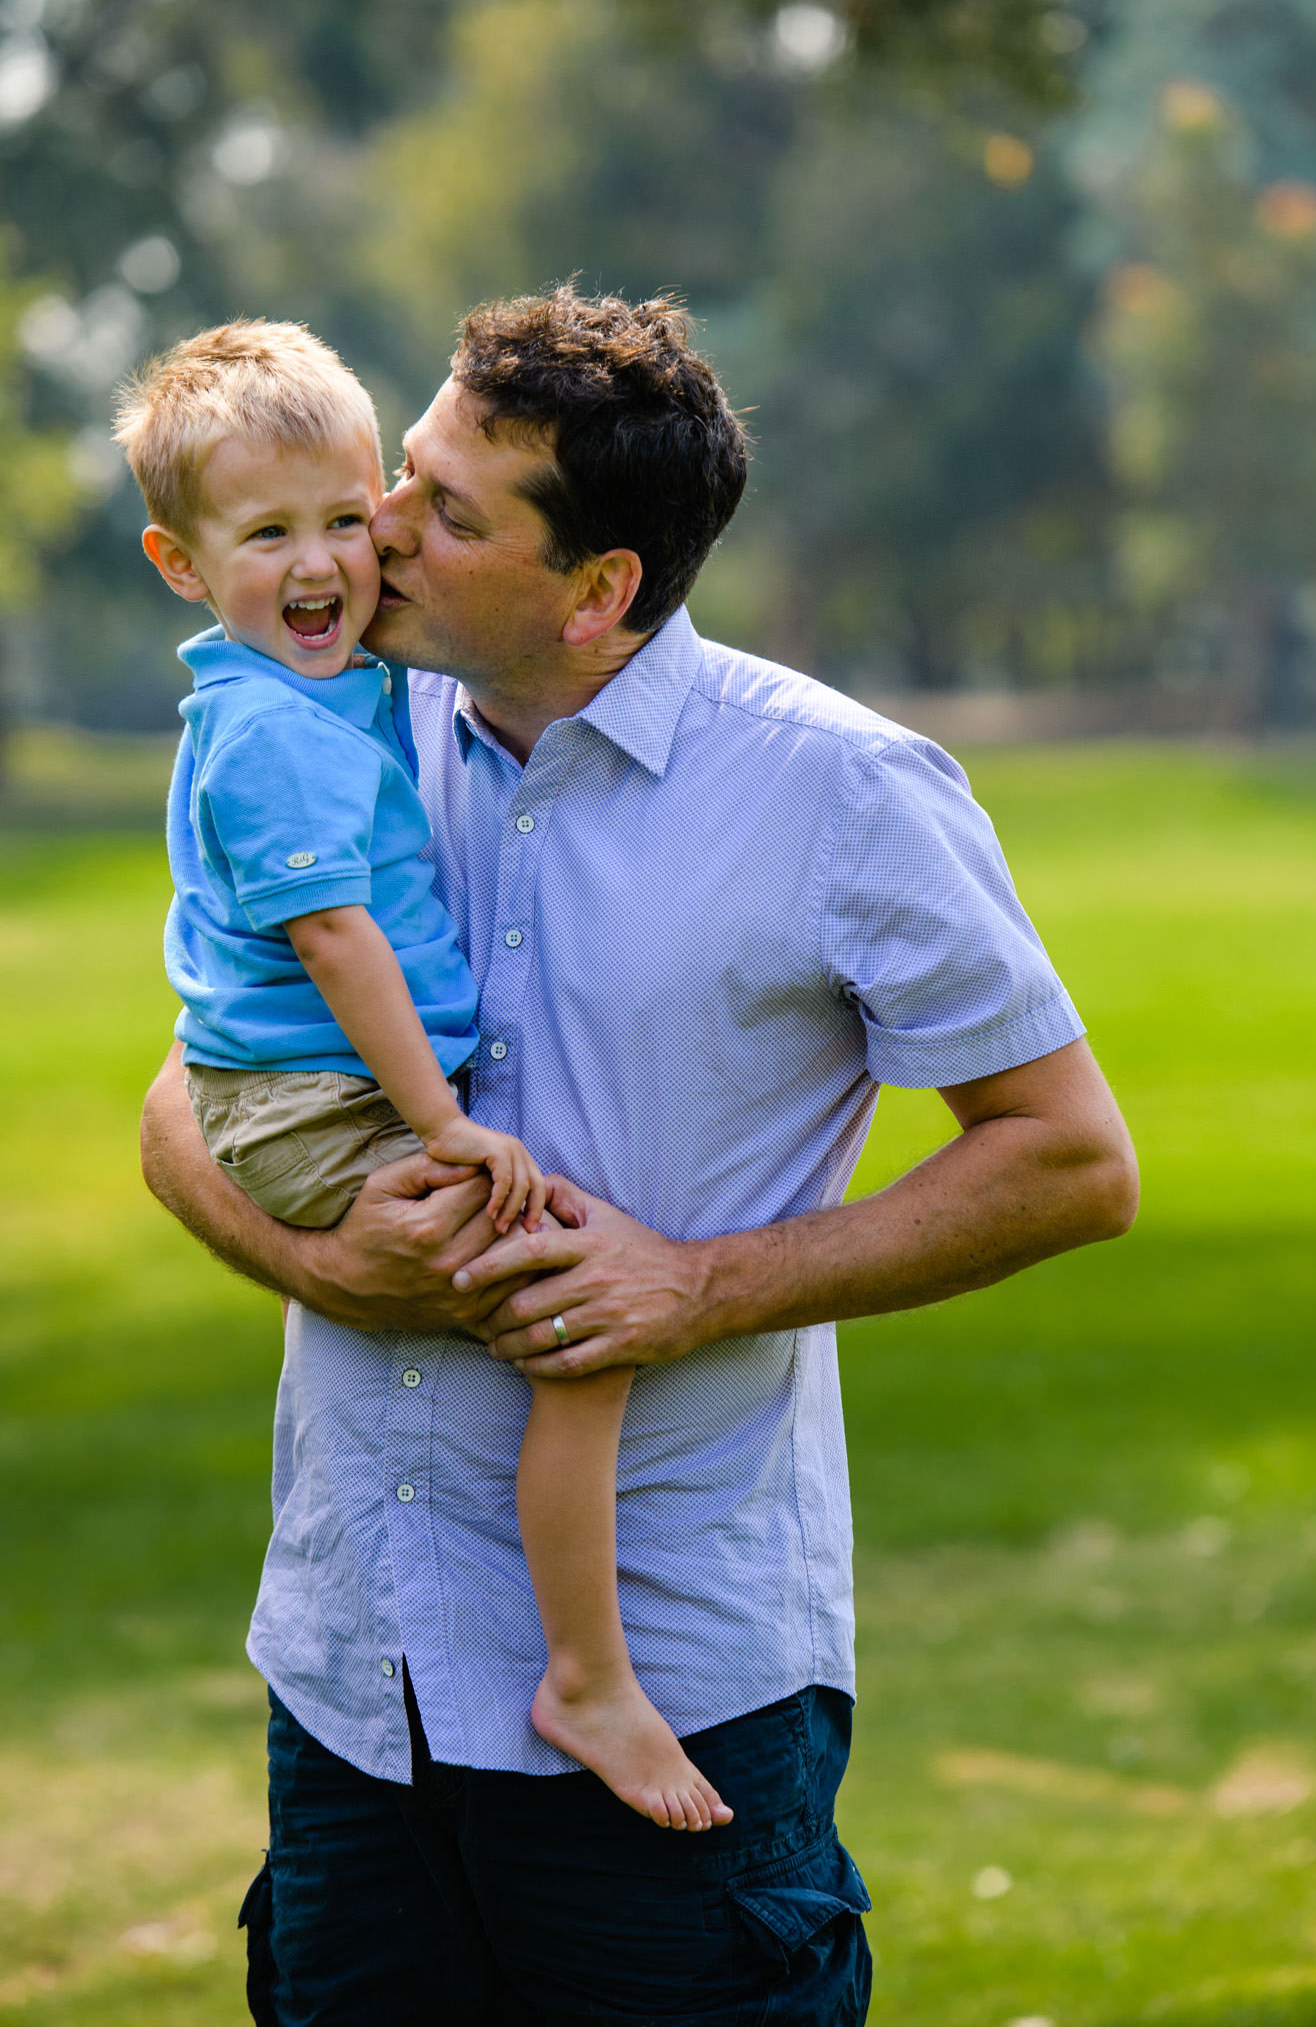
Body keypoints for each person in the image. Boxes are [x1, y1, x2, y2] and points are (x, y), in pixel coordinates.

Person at [141, 286, 1140, 2027]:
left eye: (446, 513)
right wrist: (315, 1258)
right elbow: (182, 1105)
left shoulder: (842, 790)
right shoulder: (339, 725)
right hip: (353, 1688)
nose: (380, 529)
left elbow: (1068, 1160)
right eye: (409, 474)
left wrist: (692, 1286)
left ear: (597, 588)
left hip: (675, 1695)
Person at [115, 318, 731, 1836]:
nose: (342, 555)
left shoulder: (322, 689)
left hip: (307, 1084)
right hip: (311, 1100)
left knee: (565, 1304)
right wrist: (442, 1127)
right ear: (178, 563)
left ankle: (576, 1667)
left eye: (355, 512)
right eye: (273, 534)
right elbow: (338, 945)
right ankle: (586, 1676)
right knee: (579, 1314)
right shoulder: (274, 732)